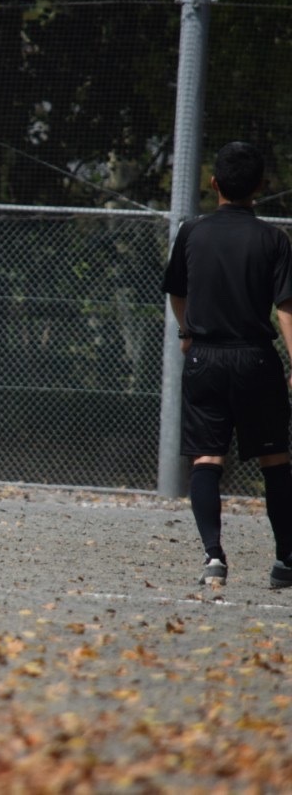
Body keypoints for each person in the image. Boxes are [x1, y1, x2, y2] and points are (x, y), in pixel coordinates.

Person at [162, 141, 292, 589]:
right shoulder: (274, 238)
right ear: (259, 187)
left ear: (213, 183)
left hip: (206, 357)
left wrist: (188, 332)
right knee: (275, 459)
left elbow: (176, 291)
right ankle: (285, 562)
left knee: (206, 457)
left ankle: (213, 558)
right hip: (256, 358)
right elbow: (286, 307)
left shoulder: (192, 232)